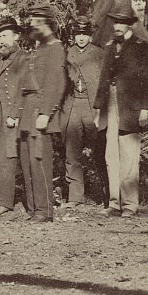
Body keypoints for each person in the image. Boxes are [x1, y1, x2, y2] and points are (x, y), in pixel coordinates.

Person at [93, 0, 148, 218]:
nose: (118, 26)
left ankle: (130, 205)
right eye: (115, 22)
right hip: (110, 106)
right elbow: (104, 80)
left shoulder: (142, 49)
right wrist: (97, 110)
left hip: (131, 107)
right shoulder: (110, 47)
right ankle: (114, 203)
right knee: (111, 155)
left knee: (129, 156)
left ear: (130, 25)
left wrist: (145, 109)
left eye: (122, 23)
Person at [18, 4, 68, 223]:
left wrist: (46, 113)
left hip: (40, 109)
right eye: (32, 21)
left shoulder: (55, 48)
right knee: (28, 162)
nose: (33, 25)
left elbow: (56, 83)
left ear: (47, 24)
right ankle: (33, 208)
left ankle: (45, 211)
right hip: (28, 109)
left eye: (37, 22)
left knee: (40, 162)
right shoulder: (38, 49)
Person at [60, 15, 106, 208]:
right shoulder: (66, 53)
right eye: (78, 34)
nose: (81, 38)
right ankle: (75, 197)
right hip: (72, 107)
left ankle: (109, 197)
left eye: (85, 34)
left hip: (93, 108)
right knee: (72, 154)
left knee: (102, 152)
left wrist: (101, 109)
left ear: (90, 35)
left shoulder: (99, 54)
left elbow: (105, 84)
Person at [0, 15, 27, 217]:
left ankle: (4, 202)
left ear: (16, 36)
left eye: (5, 35)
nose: (1, 40)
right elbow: (2, 87)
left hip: (12, 114)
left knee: (7, 157)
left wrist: (15, 114)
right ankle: (3, 198)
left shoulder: (23, 58)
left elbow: (23, 89)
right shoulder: (4, 59)